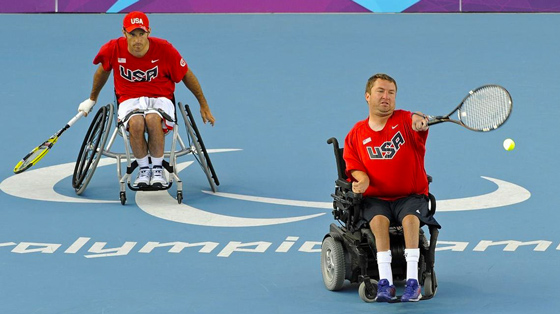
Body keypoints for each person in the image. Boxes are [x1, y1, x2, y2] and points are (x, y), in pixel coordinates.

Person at [78, 11, 215, 188]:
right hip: (129, 100)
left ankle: (157, 170)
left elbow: (186, 75)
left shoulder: (165, 49)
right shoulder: (113, 48)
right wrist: (92, 99)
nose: (137, 40)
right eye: (132, 34)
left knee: (152, 119)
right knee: (136, 123)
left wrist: (203, 104)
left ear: (148, 32)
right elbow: (102, 72)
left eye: (141, 34)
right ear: (124, 33)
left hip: (161, 98)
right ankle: (144, 170)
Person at [343, 73, 440, 302]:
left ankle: (413, 282)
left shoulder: (405, 120)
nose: (386, 97)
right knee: (378, 222)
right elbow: (353, 164)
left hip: (410, 195)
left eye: (391, 93)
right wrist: (362, 179)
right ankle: (385, 282)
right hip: (377, 199)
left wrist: (419, 120)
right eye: (380, 91)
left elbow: (415, 118)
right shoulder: (356, 133)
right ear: (368, 96)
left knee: (409, 220)